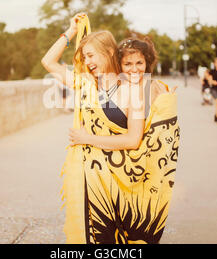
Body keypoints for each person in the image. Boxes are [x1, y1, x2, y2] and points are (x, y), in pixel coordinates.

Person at [42, 13, 180, 244]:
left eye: (90, 55)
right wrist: (71, 31)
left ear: (107, 52)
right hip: (95, 181)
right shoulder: (87, 84)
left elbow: (133, 140)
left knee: (127, 239)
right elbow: (48, 62)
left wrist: (87, 137)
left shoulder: (134, 88)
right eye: (84, 57)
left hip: (126, 181)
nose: (87, 62)